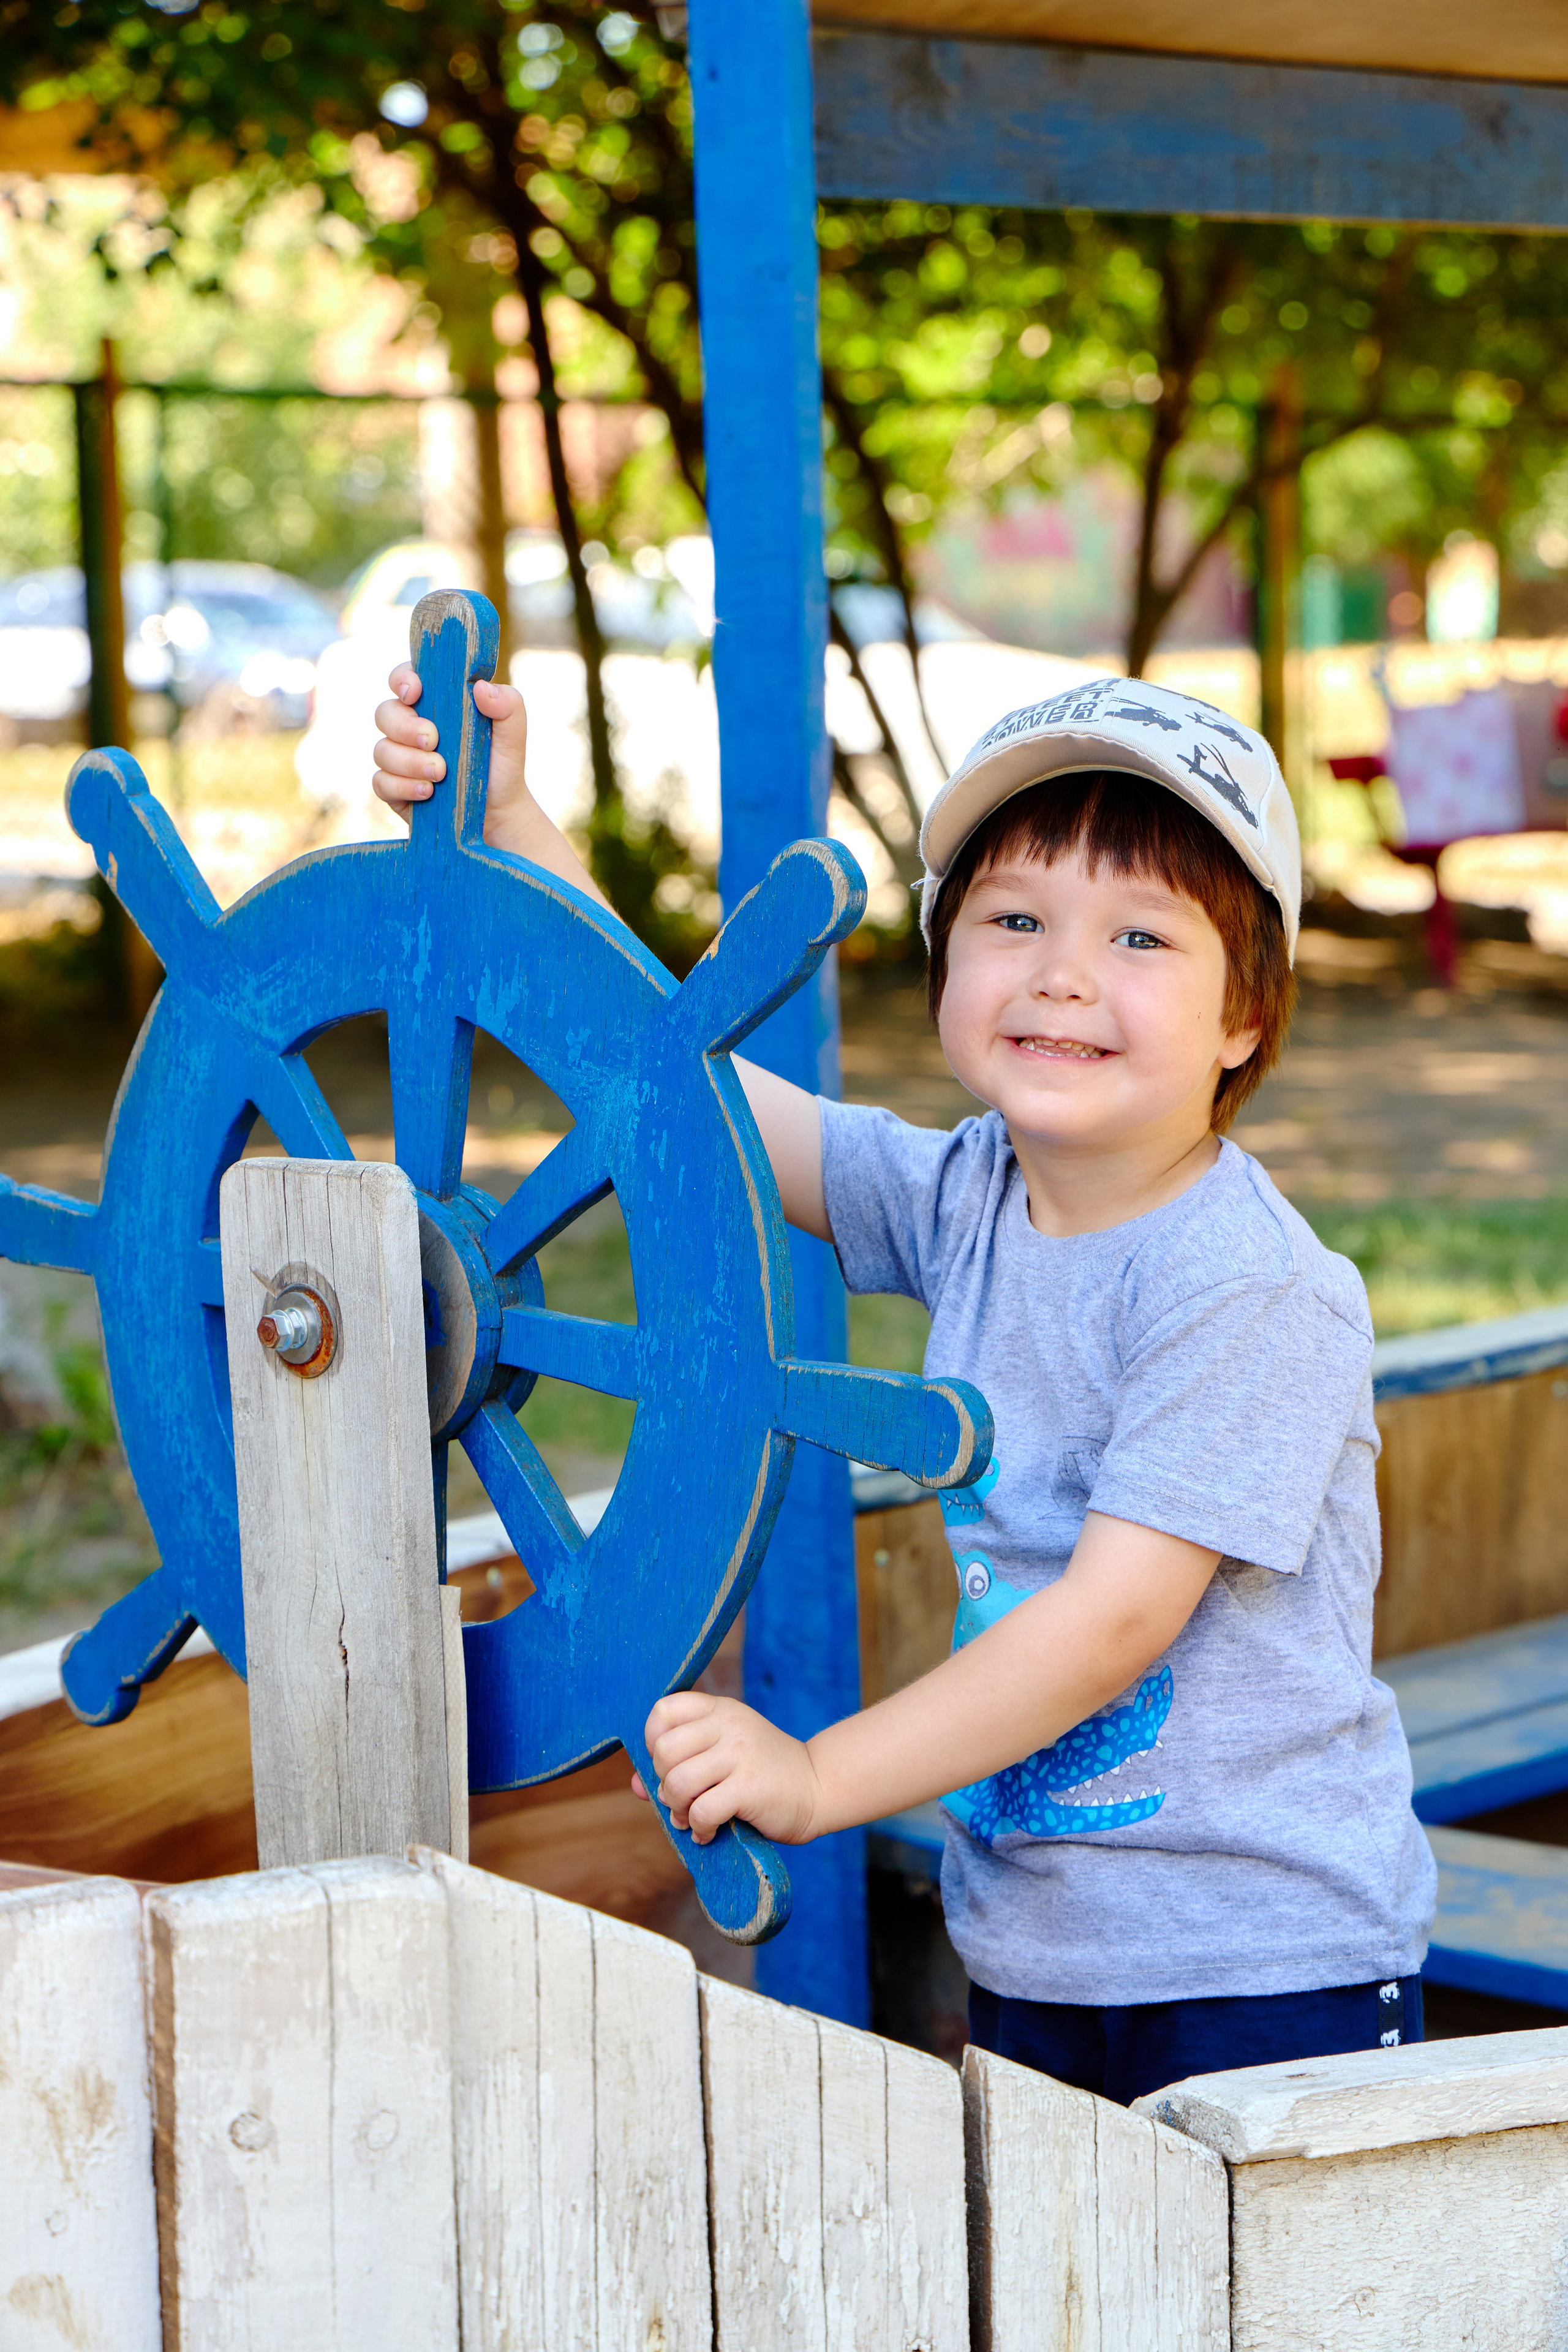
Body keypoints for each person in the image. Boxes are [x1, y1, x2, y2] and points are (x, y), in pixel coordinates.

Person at [372, 661, 1435, 2108]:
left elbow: (1112, 1619)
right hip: (1037, 1947)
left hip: (1258, 1969)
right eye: (1010, 921)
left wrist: (817, 1779)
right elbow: (698, 1092)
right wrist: (515, 832)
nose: (1060, 972)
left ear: (1245, 1017)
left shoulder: (1243, 1286)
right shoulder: (969, 1194)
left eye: (1138, 936)